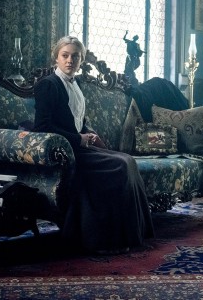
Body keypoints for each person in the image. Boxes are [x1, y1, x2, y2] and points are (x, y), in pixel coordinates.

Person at [33, 35, 154, 255]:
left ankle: (135, 234)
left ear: (81, 60)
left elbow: (77, 120)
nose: (70, 60)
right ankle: (108, 241)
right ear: (56, 58)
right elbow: (42, 127)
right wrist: (78, 139)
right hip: (67, 150)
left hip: (81, 146)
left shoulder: (77, 84)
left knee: (127, 160)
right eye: (65, 55)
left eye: (75, 56)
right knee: (119, 165)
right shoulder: (48, 85)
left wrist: (90, 134)